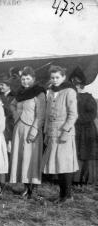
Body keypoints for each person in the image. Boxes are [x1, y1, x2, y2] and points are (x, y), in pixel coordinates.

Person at [42, 65, 79, 203]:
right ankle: (62, 194)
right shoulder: (51, 91)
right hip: (52, 133)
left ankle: (68, 195)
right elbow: (47, 115)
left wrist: (66, 131)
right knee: (58, 164)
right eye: (52, 78)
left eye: (57, 77)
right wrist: (46, 132)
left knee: (65, 164)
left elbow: (73, 114)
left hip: (64, 133)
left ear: (63, 77)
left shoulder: (69, 91)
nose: (55, 80)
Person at [9, 67, 46, 199]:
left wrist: (34, 131)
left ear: (34, 79)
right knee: (22, 158)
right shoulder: (20, 93)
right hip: (19, 129)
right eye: (23, 79)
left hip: (32, 130)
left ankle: (33, 189)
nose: (25, 81)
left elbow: (41, 115)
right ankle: (25, 188)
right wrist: (15, 115)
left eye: (28, 79)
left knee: (32, 159)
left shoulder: (39, 93)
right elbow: (12, 105)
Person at [70, 67, 98, 185]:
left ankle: (84, 178)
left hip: (86, 130)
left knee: (85, 153)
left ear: (82, 84)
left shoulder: (88, 97)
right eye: (73, 83)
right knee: (73, 152)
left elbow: (92, 114)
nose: (76, 86)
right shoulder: (70, 96)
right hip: (73, 128)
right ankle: (72, 178)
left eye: (77, 84)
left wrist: (77, 119)